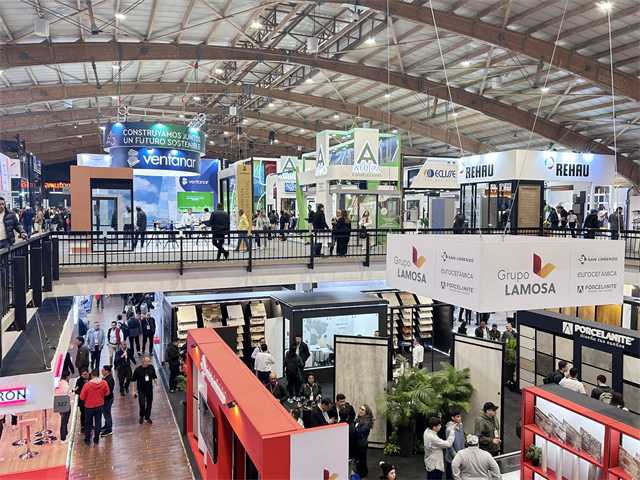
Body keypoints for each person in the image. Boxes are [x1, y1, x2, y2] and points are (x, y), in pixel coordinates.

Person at [79, 368, 109, 446]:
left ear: (91, 375)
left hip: (89, 407)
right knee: (98, 422)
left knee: (88, 423)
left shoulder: (87, 385)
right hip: (99, 405)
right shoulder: (104, 383)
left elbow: (82, 397)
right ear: (98, 374)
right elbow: (107, 393)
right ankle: (96, 439)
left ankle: (87, 440)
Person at [131, 355, 160, 424]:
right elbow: (133, 380)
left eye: (149, 361)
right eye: (148, 361)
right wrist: (133, 391)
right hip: (141, 390)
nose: (149, 362)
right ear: (143, 362)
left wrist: (157, 385)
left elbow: (154, 376)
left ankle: (147, 417)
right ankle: (141, 416)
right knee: (142, 404)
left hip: (149, 389)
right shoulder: (138, 370)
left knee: (149, 403)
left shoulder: (151, 367)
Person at [353, 404, 374, 479]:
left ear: (366, 412)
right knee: (357, 464)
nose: (360, 411)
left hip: (361, 446)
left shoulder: (366, 423)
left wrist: (354, 431)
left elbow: (358, 433)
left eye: (363, 410)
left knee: (361, 464)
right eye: (360, 409)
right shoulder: (359, 420)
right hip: (357, 445)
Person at [444, 409, 466, 479]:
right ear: (452, 418)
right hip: (452, 458)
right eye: (457, 417)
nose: (460, 418)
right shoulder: (449, 429)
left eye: (460, 416)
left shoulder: (461, 425)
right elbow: (449, 444)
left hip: (461, 455)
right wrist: (455, 455)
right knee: (450, 476)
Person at [56, 370, 72, 444]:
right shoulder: (66, 386)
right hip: (64, 404)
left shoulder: (59, 383)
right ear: (68, 377)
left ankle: (66, 433)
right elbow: (65, 395)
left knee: (64, 421)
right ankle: (63, 438)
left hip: (58, 403)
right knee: (64, 422)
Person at [73, 367, 90, 433]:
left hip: (90, 400)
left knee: (90, 413)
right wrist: (82, 393)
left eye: (86, 374)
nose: (84, 376)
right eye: (83, 375)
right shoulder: (79, 380)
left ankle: (90, 425)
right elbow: (76, 390)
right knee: (82, 413)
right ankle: (83, 426)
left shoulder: (91, 378)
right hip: (82, 400)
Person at [100, 365, 115, 436]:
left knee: (107, 413)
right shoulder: (105, 378)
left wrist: (103, 399)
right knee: (105, 413)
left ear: (107, 371)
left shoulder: (109, 380)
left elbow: (108, 392)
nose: (101, 371)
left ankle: (109, 428)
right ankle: (106, 425)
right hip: (105, 399)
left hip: (107, 399)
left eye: (103, 370)